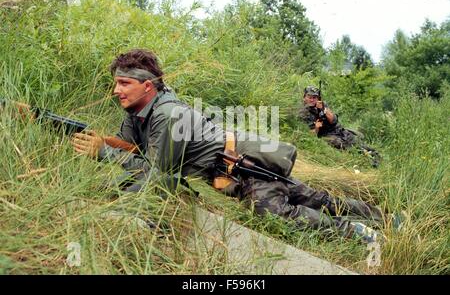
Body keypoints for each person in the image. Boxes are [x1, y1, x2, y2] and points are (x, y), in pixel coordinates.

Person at [72, 49, 388, 243]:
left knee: (277, 214)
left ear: (147, 85)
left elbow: (158, 174)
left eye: (124, 83)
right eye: (116, 83)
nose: (116, 90)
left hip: (247, 170)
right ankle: (382, 218)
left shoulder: (167, 114)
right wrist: (107, 143)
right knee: (312, 197)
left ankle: (358, 232)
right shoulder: (138, 112)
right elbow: (131, 148)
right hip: (237, 166)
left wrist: (103, 152)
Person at [299, 86, 381, 167]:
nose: (312, 100)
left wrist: (323, 109)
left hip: (338, 130)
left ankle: (375, 157)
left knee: (357, 142)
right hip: (326, 135)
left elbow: (333, 120)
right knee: (343, 145)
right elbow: (311, 135)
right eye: (309, 97)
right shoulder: (304, 113)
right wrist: (316, 127)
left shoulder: (321, 105)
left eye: (315, 97)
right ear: (304, 97)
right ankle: (364, 161)